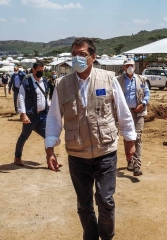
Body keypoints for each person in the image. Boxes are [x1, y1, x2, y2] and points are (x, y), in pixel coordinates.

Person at [45, 37, 136, 240]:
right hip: (77, 154)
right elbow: (53, 118)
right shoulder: (62, 84)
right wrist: (50, 147)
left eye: (82, 54)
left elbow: (123, 112)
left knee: (105, 199)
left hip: (106, 152)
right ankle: (91, 236)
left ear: (93, 57)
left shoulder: (108, 78)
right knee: (84, 203)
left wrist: (130, 142)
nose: (77, 58)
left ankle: (106, 236)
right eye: (74, 55)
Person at [13, 61, 52, 167]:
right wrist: (23, 114)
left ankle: (50, 159)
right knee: (24, 136)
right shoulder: (26, 82)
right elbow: (21, 97)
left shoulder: (44, 81)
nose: (41, 72)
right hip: (31, 116)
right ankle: (17, 157)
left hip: (43, 115)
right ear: (33, 70)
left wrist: (49, 105)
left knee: (48, 137)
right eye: (39, 70)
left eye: (42, 70)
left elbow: (46, 95)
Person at [116, 58, 150, 176]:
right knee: (127, 137)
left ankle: (137, 165)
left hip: (138, 112)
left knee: (137, 137)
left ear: (135, 67)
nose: (129, 67)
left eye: (131, 65)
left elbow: (147, 93)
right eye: (127, 66)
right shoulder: (118, 80)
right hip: (125, 113)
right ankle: (129, 160)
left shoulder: (141, 79)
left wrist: (143, 104)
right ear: (124, 67)